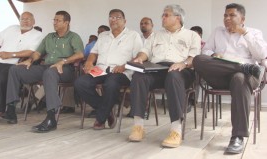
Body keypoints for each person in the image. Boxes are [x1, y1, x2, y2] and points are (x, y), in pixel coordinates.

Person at [193, 3, 267, 154]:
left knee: (239, 78)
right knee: (198, 59)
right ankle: (243, 66)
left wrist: (244, 33)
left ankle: (238, 137)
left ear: (242, 18)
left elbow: (262, 55)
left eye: (232, 15)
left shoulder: (253, 33)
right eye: (225, 15)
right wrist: (213, 55)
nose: (227, 18)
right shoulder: (217, 31)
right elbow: (206, 50)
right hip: (221, 75)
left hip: (247, 77)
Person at [0, 11, 84, 133]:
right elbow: (37, 53)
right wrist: (30, 61)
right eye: (54, 20)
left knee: (50, 72)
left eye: (58, 20)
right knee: (15, 69)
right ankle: (10, 111)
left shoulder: (73, 37)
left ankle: (51, 119)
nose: (54, 23)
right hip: (47, 66)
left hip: (65, 69)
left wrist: (63, 61)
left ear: (66, 22)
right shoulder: (49, 37)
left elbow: (80, 54)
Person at [128, 4, 201, 148]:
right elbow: (145, 51)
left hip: (181, 70)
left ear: (178, 18)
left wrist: (183, 63)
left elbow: (194, 58)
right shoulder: (155, 35)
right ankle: (138, 127)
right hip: (157, 69)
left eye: (166, 15)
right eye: (163, 15)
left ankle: (176, 130)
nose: (162, 17)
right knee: (138, 77)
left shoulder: (192, 35)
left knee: (173, 76)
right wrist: (140, 58)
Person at [74, 9, 143, 130]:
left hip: (121, 71)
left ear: (125, 21)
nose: (113, 20)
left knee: (110, 83)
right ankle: (106, 110)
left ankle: (100, 119)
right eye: (111, 17)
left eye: (117, 17)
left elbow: (138, 57)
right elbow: (93, 53)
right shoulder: (103, 35)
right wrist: (89, 62)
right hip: (100, 69)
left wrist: (124, 66)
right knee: (80, 83)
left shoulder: (133, 35)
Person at [127, 17, 154, 118]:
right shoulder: (137, 38)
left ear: (152, 25)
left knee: (141, 78)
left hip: (151, 67)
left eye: (146, 23)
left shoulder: (156, 38)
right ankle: (133, 107)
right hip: (137, 65)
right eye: (141, 23)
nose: (143, 25)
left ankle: (144, 109)